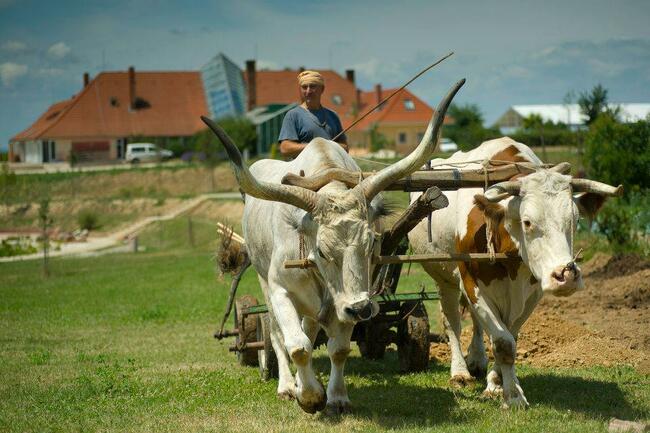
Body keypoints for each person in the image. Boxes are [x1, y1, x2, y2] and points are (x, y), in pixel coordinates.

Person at [278, 70, 348, 158]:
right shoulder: (293, 115)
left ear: (322, 89)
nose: (308, 91)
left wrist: (329, 146)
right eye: (304, 87)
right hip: (304, 170)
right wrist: (315, 146)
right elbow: (285, 149)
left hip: (331, 168)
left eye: (312, 86)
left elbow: (345, 148)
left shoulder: (333, 116)